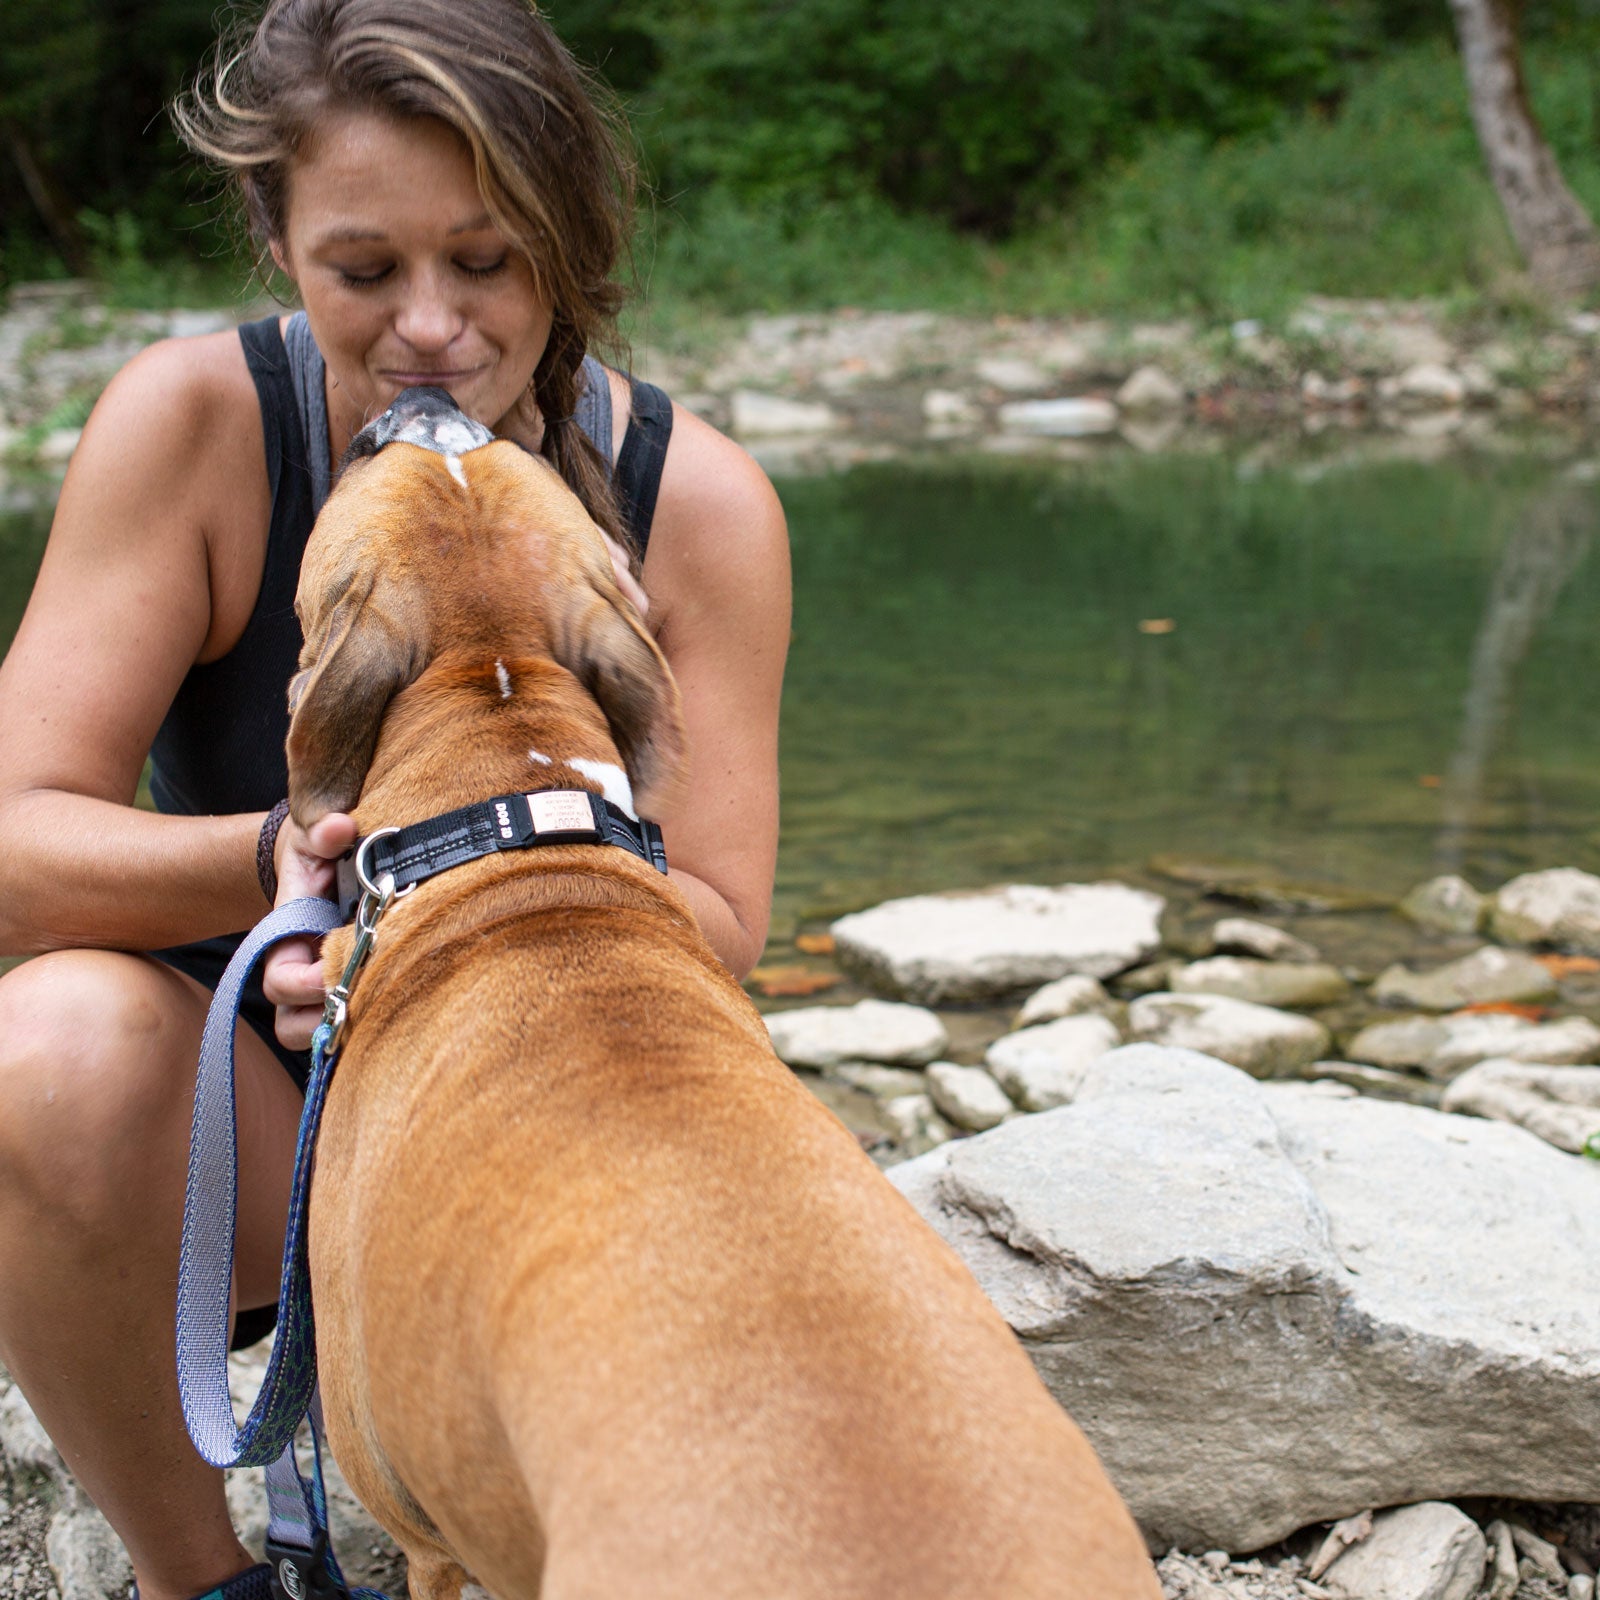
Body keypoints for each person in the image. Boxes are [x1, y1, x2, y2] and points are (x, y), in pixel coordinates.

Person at [0, 3, 790, 1597]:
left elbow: (714, 917)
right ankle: (203, 1576)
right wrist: (281, 877)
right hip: (256, 1122)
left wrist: (438, 935)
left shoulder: (692, 506)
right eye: (364, 270)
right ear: (277, 240)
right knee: (41, 1055)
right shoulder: (197, 431)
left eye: (487, 262)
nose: (430, 324)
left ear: (566, 246)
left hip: (533, 1110)